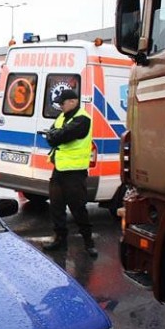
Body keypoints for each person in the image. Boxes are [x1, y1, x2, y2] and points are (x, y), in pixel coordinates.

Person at [42, 88, 98, 258]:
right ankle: (59, 239)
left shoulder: (82, 119)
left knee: (78, 208)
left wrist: (53, 135)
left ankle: (89, 242)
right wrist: (53, 135)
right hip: (59, 169)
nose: (60, 105)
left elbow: (58, 136)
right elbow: (52, 134)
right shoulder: (63, 117)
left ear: (73, 102)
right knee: (56, 206)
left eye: (62, 102)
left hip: (75, 172)